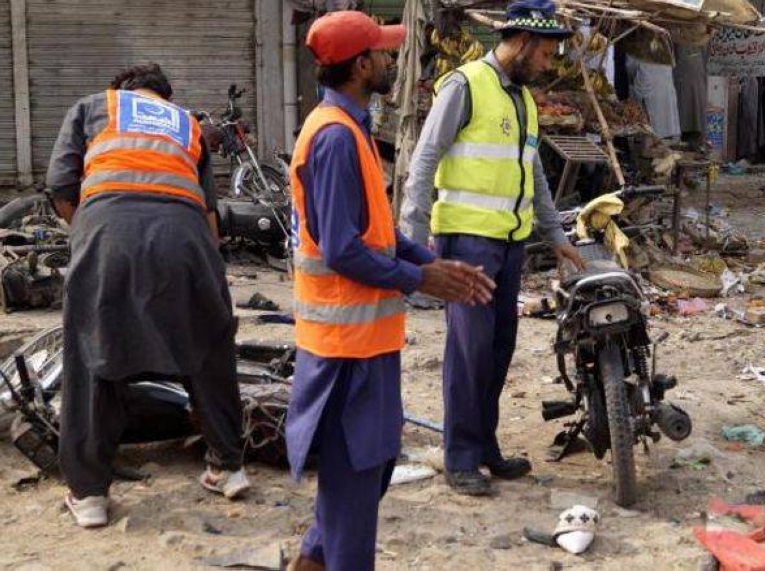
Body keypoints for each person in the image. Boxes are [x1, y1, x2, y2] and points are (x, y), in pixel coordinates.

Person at [284, 12, 495, 571]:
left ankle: (312, 561)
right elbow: (341, 249)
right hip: (345, 351)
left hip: (364, 342)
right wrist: (420, 278)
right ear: (360, 66)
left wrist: (432, 262)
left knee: (370, 471)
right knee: (355, 483)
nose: (390, 60)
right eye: (381, 53)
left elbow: (377, 233)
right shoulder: (335, 137)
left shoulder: (348, 129)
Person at [46, 64, 250, 529]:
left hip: (108, 230)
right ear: (164, 97)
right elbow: (210, 214)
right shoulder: (186, 124)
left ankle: (89, 494)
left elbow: (60, 186)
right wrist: (208, 281)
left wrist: (89, 234)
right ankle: (228, 467)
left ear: (121, 91)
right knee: (210, 346)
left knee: (93, 350)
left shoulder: (93, 107)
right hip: (186, 237)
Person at [401, 0, 585, 497]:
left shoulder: (522, 98)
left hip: (509, 242)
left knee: (499, 348)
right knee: (470, 352)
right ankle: (460, 458)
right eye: (544, 54)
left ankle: (485, 446)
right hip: (467, 243)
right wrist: (413, 246)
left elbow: (534, 171)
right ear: (521, 43)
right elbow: (424, 161)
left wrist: (556, 236)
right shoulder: (465, 86)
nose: (547, 64)